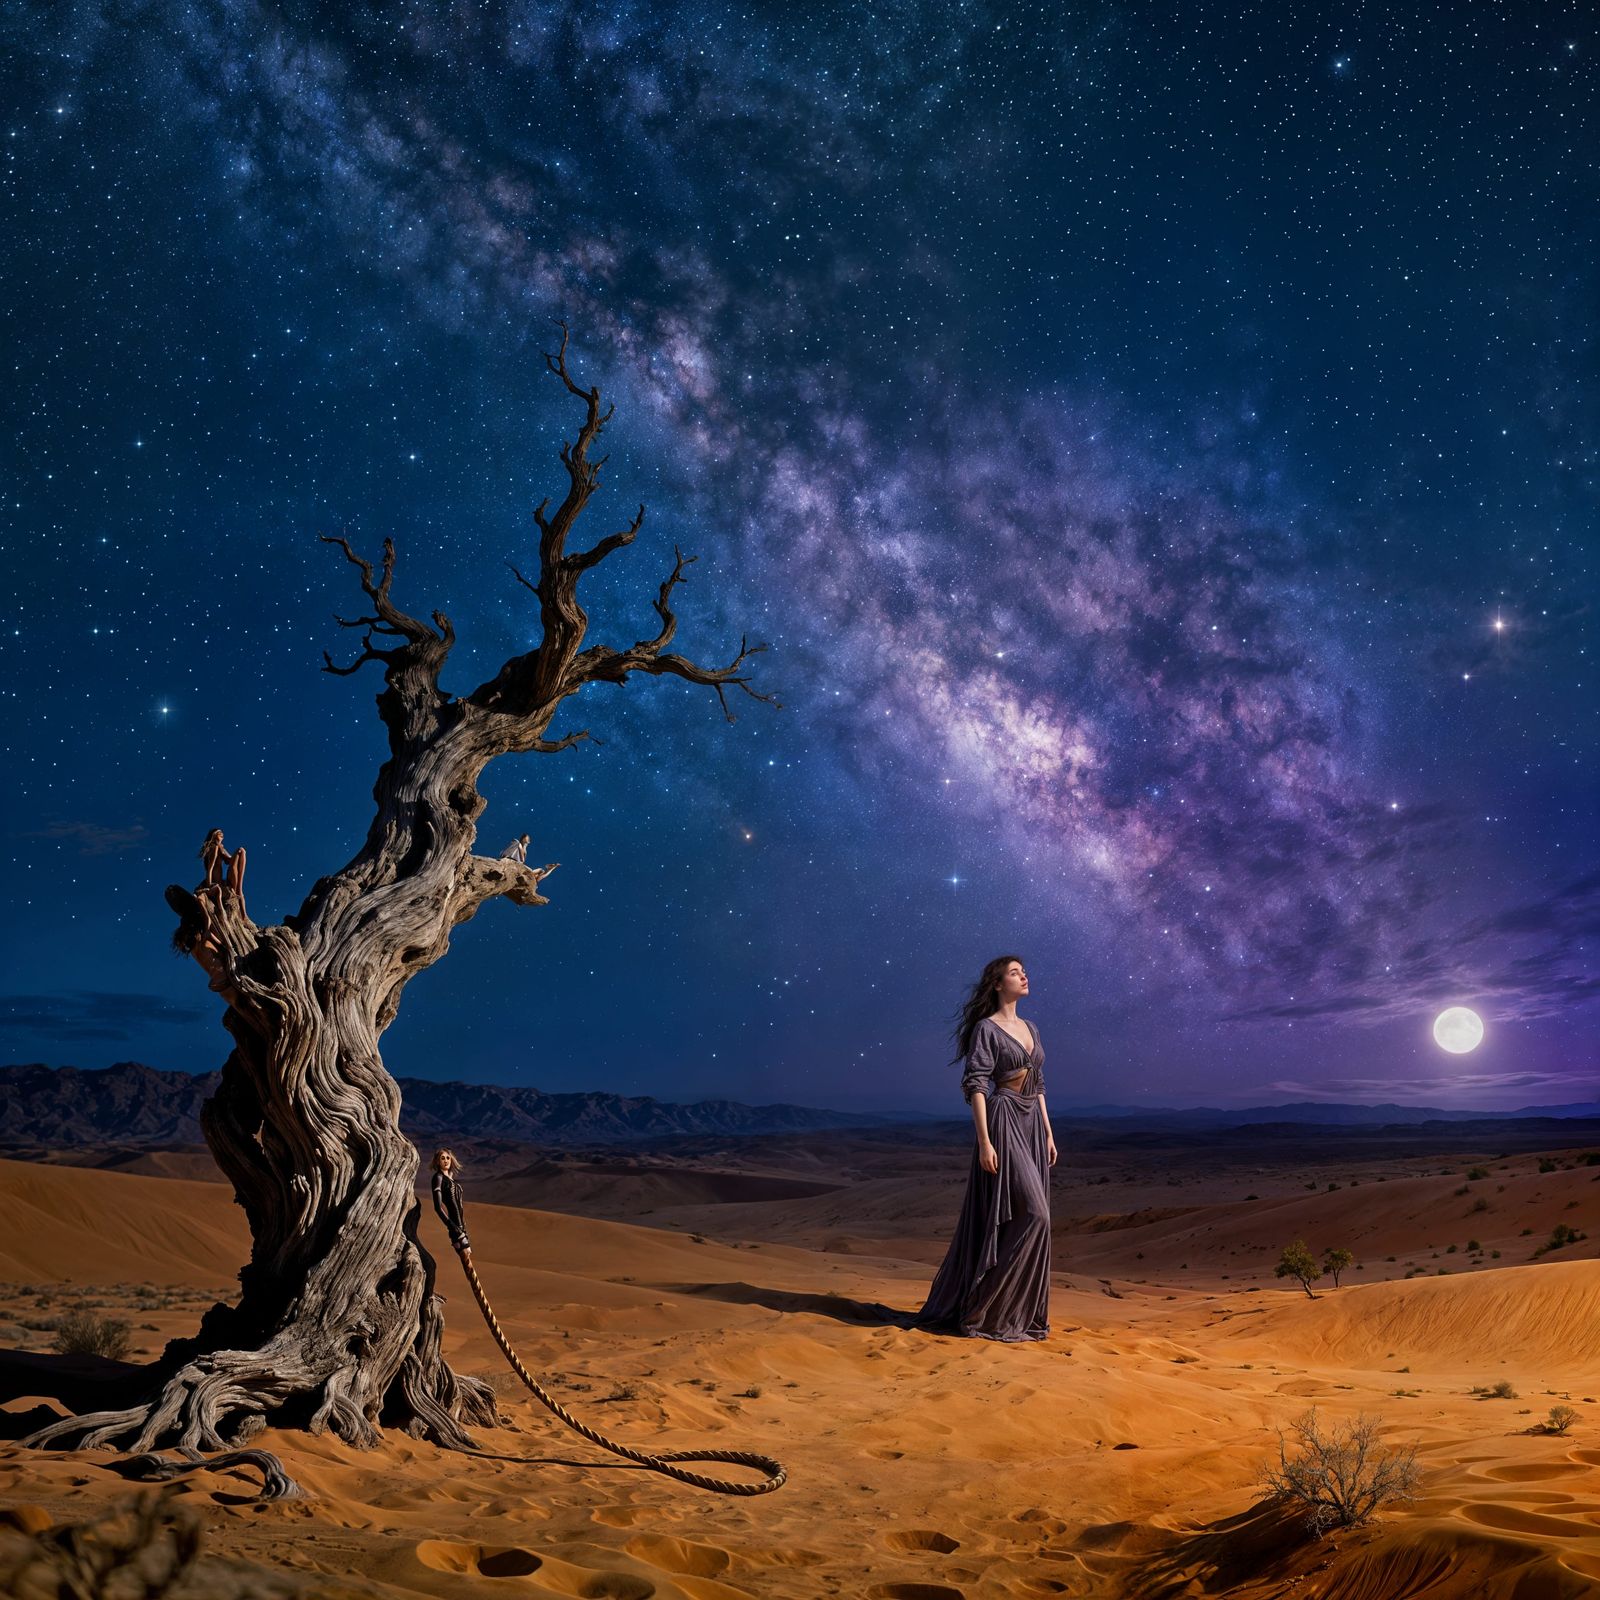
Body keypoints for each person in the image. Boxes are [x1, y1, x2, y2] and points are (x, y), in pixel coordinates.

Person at [916, 955, 1056, 1342]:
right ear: (997, 984)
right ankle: (982, 1309)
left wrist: (1047, 1131)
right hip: (1005, 1118)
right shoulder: (986, 1029)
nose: (1024, 975)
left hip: (1031, 1124)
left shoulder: (1032, 1028)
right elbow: (976, 1084)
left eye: (1024, 970)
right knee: (1035, 1215)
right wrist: (984, 1142)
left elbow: (1039, 1083)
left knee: (1031, 1220)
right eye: (1014, 972)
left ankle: (1013, 1311)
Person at [430, 1148, 470, 1255]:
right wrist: (451, 1226)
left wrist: (462, 1227)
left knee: (467, 1258)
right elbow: (437, 1208)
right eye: (442, 1158)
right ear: (437, 1161)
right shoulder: (438, 1178)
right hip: (455, 1227)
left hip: (462, 1227)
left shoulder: (452, 1180)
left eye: (448, 1158)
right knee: (466, 1258)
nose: (446, 1160)